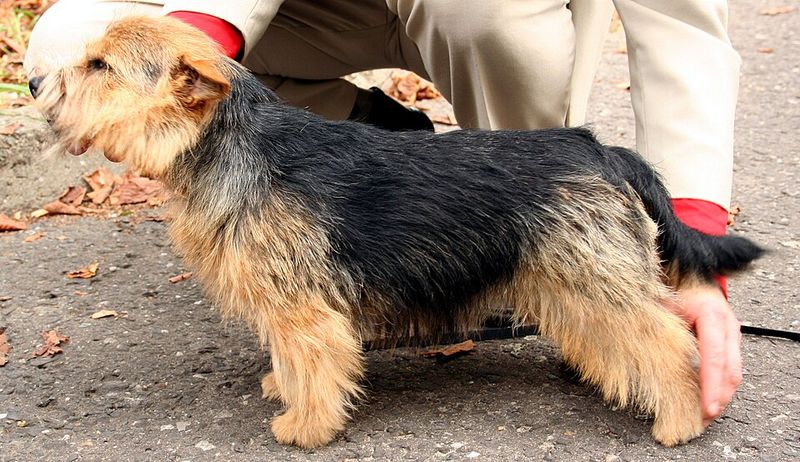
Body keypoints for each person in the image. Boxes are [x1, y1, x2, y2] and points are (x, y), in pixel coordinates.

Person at [25, 0, 743, 425]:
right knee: (291, 291)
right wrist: (197, 31)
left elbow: (680, 25)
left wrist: (693, 230)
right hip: (305, 13)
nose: (76, 80)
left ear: (187, 91)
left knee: (578, 284)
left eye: (98, 73)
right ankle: (404, 167)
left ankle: (642, 366)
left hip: (497, 43)